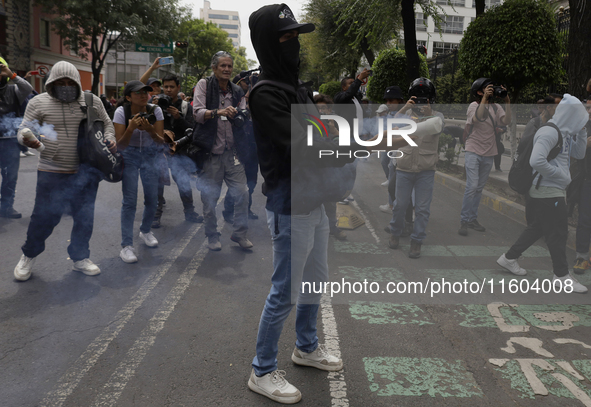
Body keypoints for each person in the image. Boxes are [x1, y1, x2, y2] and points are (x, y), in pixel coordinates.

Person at [248, 4, 414, 403]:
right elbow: (306, 145)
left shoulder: (298, 90)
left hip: (318, 201)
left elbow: (326, 131)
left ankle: (305, 347)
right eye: (287, 38)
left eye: (297, 38)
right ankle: (262, 369)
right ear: (269, 43)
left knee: (315, 281)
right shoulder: (266, 94)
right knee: (285, 290)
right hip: (291, 205)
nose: (295, 45)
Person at [13, 61, 115, 280]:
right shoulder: (38, 102)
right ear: (52, 82)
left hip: (86, 171)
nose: (66, 86)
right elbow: (24, 129)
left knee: (84, 217)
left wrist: (110, 138)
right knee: (43, 218)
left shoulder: (91, 101)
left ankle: (80, 258)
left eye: (71, 82)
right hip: (51, 172)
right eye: (61, 82)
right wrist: (25, 138)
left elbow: (107, 123)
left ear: (77, 82)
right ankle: (28, 255)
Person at [496, 95, 588, 293]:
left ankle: (509, 258)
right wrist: (562, 176)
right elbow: (536, 161)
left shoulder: (564, 132)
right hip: (547, 190)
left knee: (538, 227)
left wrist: (581, 132)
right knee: (558, 233)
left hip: (550, 190)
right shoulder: (550, 132)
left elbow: (579, 154)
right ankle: (561, 275)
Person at [192, 51, 253, 251]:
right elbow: (197, 114)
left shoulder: (237, 91)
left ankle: (239, 233)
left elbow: (244, 114)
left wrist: (240, 115)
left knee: (243, 193)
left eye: (229, 66)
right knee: (210, 198)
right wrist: (219, 112)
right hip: (211, 153)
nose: (226, 69)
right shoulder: (204, 85)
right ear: (214, 68)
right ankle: (212, 235)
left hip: (233, 153)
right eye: (222, 66)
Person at [387, 78, 444, 258]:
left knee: (422, 209)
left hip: (425, 170)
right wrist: (405, 107)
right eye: (417, 98)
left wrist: (427, 114)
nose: (420, 102)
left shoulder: (437, 116)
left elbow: (435, 128)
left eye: (424, 98)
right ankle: (395, 233)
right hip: (404, 168)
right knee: (399, 205)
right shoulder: (404, 114)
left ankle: (416, 241)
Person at [113, 80, 165, 263]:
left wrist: (150, 130)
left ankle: (145, 230)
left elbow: (160, 142)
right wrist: (130, 128)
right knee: (129, 201)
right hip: (129, 156)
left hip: (150, 155)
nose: (144, 95)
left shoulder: (155, 111)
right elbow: (119, 146)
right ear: (128, 97)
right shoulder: (121, 112)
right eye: (139, 93)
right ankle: (126, 246)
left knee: (152, 198)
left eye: (146, 92)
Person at [459, 78, 511, 236]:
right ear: (479, 92)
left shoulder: (496, 108)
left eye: (492, 88)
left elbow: (506, 121)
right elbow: (478, 117)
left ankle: (472, 218)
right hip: (473, 150)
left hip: (489, 152)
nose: (491, 91)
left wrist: (507, 101)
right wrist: (484, 99)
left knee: (479, 188)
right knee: (472, 186)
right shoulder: (474, 106)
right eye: (487, 88)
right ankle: (464, 220)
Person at [151, 74, 203, 228]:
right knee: (158, 185)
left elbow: (193, 130)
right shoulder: (155, 104)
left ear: (178, 88)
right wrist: (153, 108)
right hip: (159, 150)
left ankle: (189, 212)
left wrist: (178, 117)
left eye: (171, 87)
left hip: (178, 151)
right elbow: (147, 124)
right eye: (165, 87)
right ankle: (155, 215)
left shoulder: (186, 106)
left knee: (183, 183)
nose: (168, 90)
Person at [0, 57, 33, 218]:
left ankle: (6, 207)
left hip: (10, 141)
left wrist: (11, 74)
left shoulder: (13, 90)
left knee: (10, 177)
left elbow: (28, 88)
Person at [573, 96, 591, 273]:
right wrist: (585, 144)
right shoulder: (583, 126)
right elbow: (574, 152)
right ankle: (582, 256)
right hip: (588, 179)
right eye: (588, 108)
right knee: (585, 219)